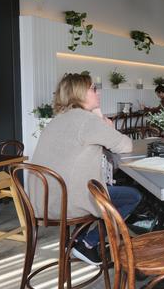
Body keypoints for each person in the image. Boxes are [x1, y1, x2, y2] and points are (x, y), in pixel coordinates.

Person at [31, 73, 142, 265]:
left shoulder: (58, 120)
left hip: (43, 199)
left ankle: (73, 241)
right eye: (93, 89)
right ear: (80, 93)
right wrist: (102, 118)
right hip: (65, 202)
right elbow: (126, 146)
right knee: (133, 196)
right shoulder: (86, 121)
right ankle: (87, 244)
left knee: (103, 192)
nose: (97, 92)